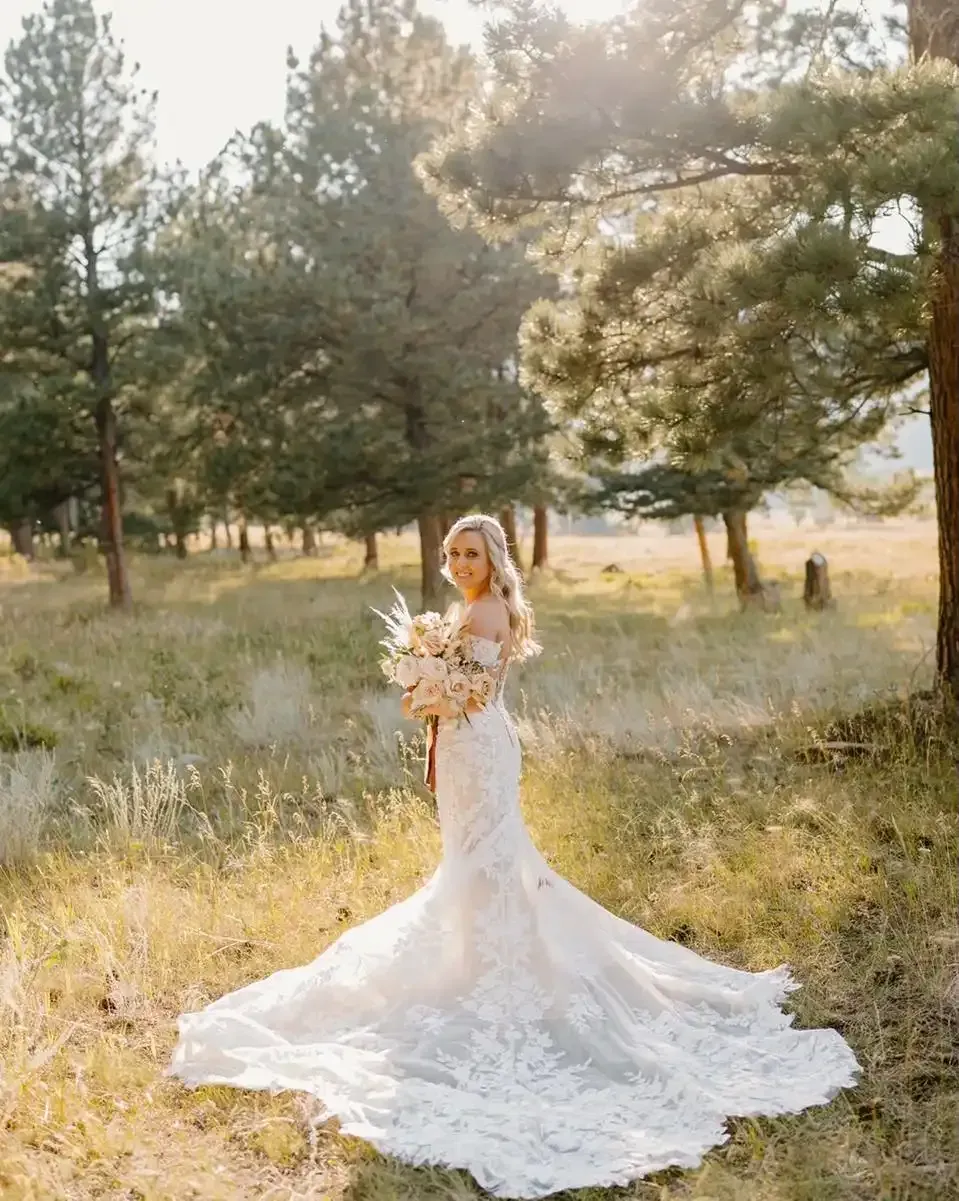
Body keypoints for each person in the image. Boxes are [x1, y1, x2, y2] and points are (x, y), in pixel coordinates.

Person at [168, 513, 860, 1199]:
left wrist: (427, 681)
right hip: (471, 744)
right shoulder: (469, 608)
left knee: (487, 864)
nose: (461, 562)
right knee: (478, 866)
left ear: (493, 558)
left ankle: (507, 975)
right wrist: (428, 679)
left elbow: (476, 692)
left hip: (478, 745)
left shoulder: (484, 612)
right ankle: (481, 960)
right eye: (453, 552)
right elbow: (463, 693)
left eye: (471, 552)